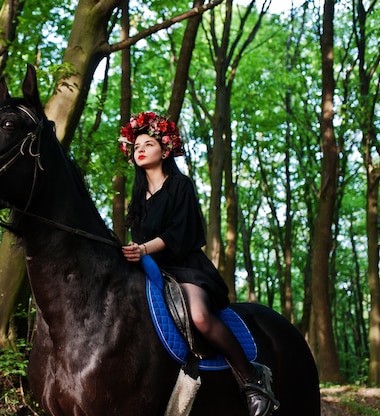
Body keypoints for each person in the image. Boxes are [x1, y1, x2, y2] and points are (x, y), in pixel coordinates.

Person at [119, 112, 279, 416]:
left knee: (201, 316)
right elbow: (138, 238)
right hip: (151, 268)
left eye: (148, 143)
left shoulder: (180, 185)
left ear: (165, 150)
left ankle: (252, 379)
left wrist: (143, 249)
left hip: (185, 266)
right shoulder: (138, 196)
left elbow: (179, 233)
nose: (139, 148)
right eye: (136, 144)